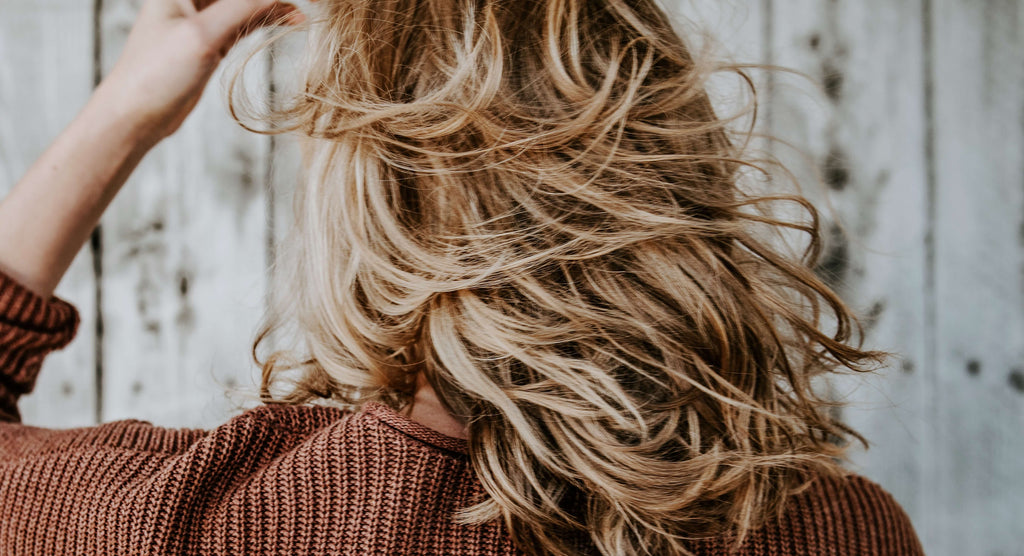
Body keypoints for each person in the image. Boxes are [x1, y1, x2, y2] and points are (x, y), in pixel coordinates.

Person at [0, 0, 924, 554]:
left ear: (376, 211)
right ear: (680, 168)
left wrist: (123, 110)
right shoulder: (849, 533)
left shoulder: (224, 522)